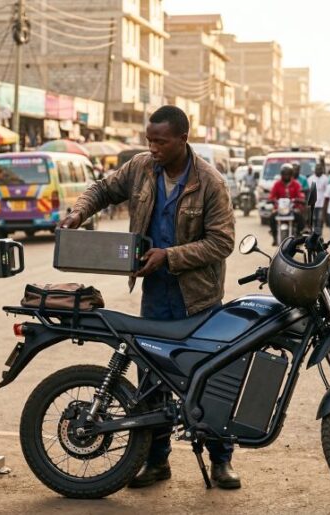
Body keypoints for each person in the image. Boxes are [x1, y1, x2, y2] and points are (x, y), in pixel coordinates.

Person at [59, 105, 238, 489]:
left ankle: (221, 461)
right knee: (151, 381)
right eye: (149, 140)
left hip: (200, 300)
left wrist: (169, 256)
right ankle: (156, 462)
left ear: (183, 139)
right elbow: (104, 189)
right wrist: (78, 213)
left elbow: (222, 242)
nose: (153, 147)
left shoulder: (210, 182)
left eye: (161, 141)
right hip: (156, 295)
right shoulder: (141, 168)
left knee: (207, 378)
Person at [268, 163, 305, 246]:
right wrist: (272, 200)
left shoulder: (296, 184)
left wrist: (299, 199)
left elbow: (301, 195)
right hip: (280, 209)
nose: (286, 176)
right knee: (272, 217)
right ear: (281, 174)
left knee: (300, 217)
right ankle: (274, 237)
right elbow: (272, 195)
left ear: (291, 174)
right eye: (284, 174)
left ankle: (299, 235)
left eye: (288, 174)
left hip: (292, 208)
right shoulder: (277, 184)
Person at [308, 163, 329, 232]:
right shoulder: (310, 179)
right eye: (317, 169)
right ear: (315, 170)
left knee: (320, 220)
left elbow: (327, 191)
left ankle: (319, 236)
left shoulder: (326, 179)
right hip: (313, 203)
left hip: (322, 204)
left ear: (322, 170)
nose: (318, 170)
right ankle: (313, 235)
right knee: (313, 220)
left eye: (320, 169)